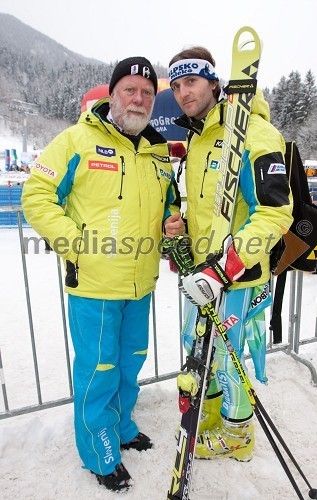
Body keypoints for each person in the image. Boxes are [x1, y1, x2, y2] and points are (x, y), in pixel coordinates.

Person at [22, 56, 184, 492]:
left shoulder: (157, 153)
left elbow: (169, 205)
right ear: (112, 95)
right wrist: (75, 244)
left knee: (130, 364)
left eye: (147, 93)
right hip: (93, 284)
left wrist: (172, 222)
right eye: (130, 90)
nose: (138, 99)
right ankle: (100, 451)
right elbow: (36, 195)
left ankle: (123, 427)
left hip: (140, 282)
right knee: (99, 368)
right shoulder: (76, 140)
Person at [168, 47, 293, 461]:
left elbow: (275, 212)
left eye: (191, 81)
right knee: (198, 346)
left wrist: (224, 269)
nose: (183, 92)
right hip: (203, 275)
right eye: (177, 85)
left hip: (238, 276)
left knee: (229, 355)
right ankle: (211, 414)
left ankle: (238, 434)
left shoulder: (255, 133)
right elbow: (211, 209)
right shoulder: (197, 137)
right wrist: (181, 227)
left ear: (213, 82)